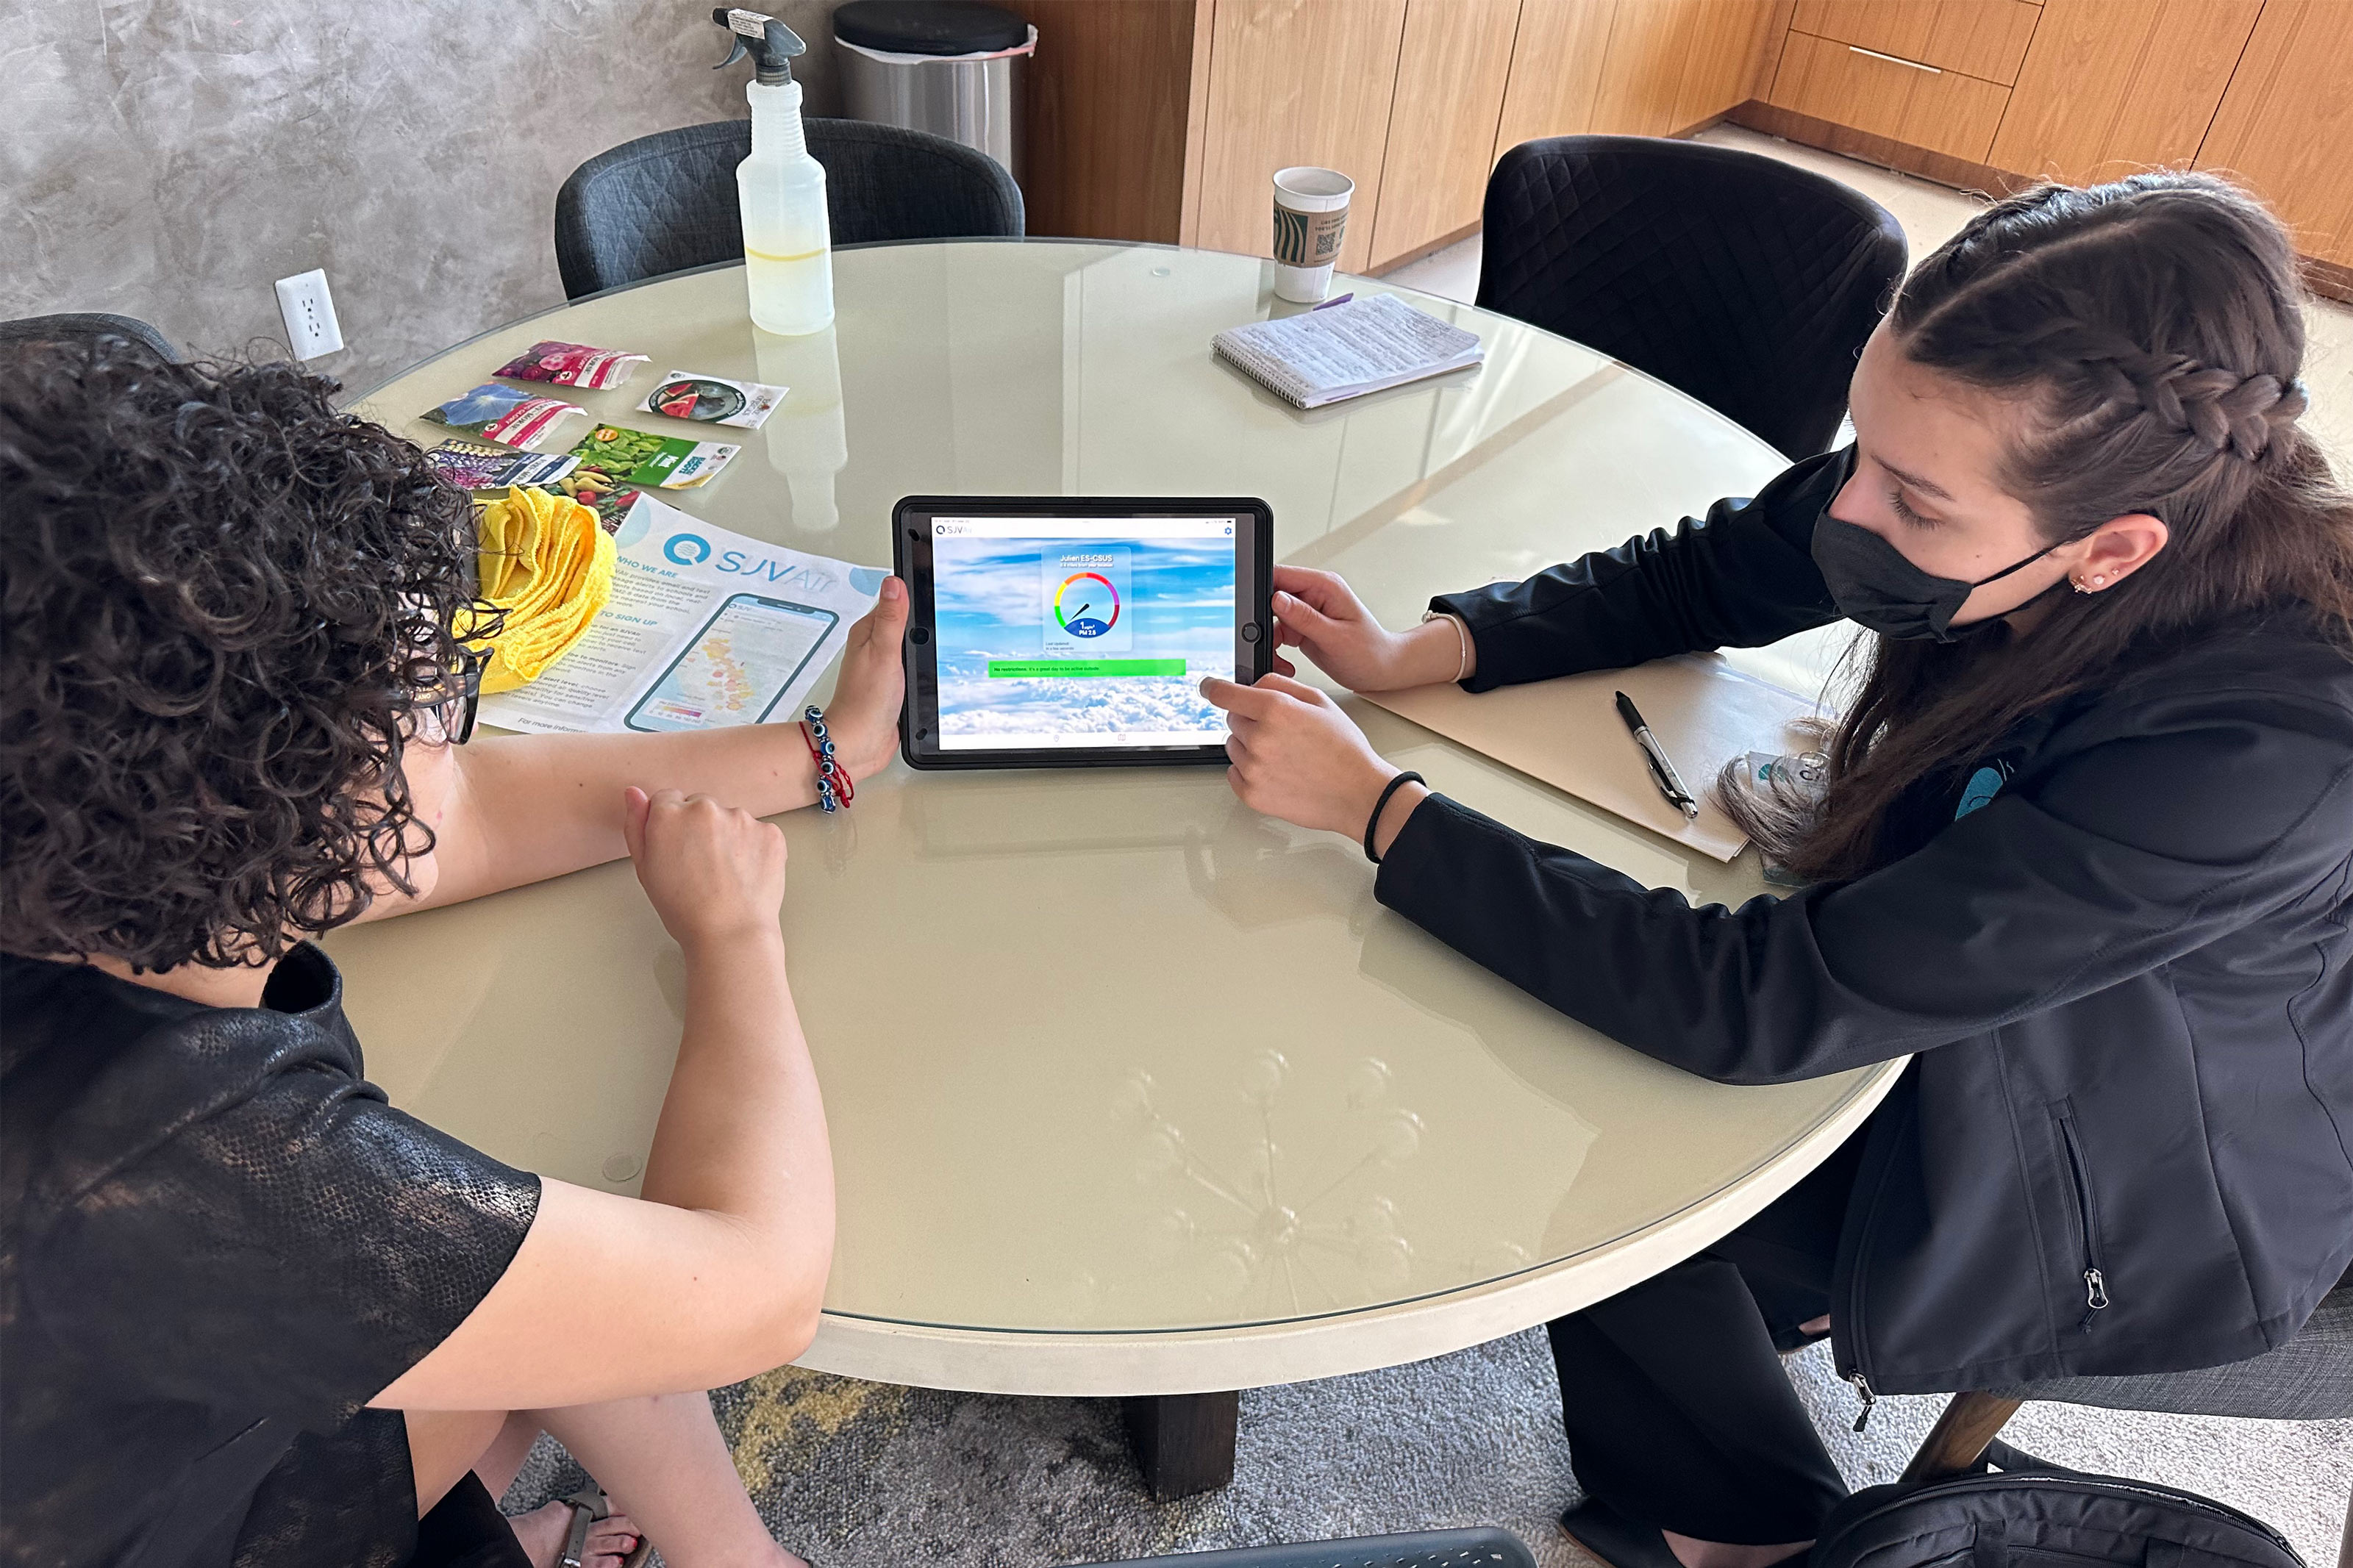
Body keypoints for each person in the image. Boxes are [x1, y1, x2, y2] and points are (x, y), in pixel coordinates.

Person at [1202, 173, 2353, 1568]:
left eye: (1910, 500)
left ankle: (1760, 1545)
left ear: (2110, 550)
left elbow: (1758, 1005)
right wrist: (1434, 648)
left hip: (2132, 1156)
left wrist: (1387, 813)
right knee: (1592, 1092)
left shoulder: (2264, 747)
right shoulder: (1990, 497)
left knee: (1628, 1184)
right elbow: (1728, 564)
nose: (1847, 508)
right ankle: (1717, 1500)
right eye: (1860, 445)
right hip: (1981, 977)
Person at [0, 336, 910, 1568]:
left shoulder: (95, 873)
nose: (447, 731)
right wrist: (736, 938)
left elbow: (465, 816)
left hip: (102, 1432)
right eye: (433, 703)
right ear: (299, 803)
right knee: (560, 1273)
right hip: (201, 1517)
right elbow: (755, 1294)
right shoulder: (193, 1154)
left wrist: (823, 746)